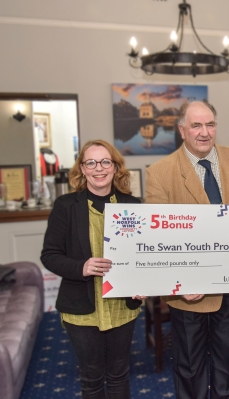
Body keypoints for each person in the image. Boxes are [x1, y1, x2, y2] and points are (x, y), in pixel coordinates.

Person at [145, 100, 229, 399]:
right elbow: (159, 237)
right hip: (189, 294)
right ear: (182, 130)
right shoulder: (160, 173)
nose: (204, 132)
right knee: (190, 369)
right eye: (196, 125)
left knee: (228, 367)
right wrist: (180, 280)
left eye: (210, 125)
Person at [41, 140, 142, 398]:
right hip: (81, 308)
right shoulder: (66, 206)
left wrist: (144, 284)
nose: (99, 168)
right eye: (91, 162)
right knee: (91, 378)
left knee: (119, 375)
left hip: (121, 305)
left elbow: (143, 255)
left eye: (106, 161)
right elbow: (50, 255)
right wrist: (81, 267)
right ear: (82, 169)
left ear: (115, 167)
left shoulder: (133, 205)